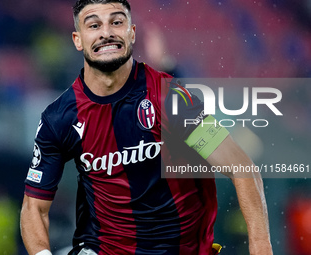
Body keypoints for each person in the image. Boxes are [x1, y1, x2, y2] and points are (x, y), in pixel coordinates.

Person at [20, 1, 273, 254]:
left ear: (131, 32)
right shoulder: (58, 118)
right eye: (94, 25)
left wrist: (261, 246)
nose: (106, 32)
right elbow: (34, 208)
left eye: (116, 22)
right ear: (78, 39)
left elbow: (243, 168)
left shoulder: (169, 97)